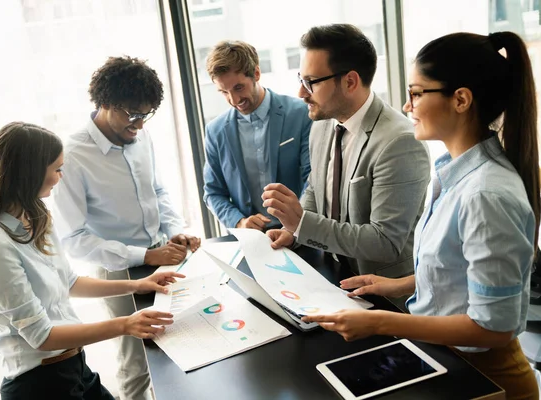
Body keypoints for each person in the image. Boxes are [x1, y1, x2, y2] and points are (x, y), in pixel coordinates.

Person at [303, 31, 540, 399]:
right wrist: (400, 286)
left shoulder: (486, 194)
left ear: (460, 99)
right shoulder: (453, 171)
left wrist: (380, 321)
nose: (407, 106)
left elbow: (493, 328)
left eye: (416, 93)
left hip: (488, 379)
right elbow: (461, 269)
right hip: (447, 359)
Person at [0, 122, 183, 400]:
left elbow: (69, 282)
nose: (60, 177)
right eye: (56, 169)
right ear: (28, 173)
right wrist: (126, 324)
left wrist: (138, 285)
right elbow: (41, 336)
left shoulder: (38, 216)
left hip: (74, 366)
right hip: (38, 384)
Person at [52, 56, 200, 400]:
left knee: (178, 349)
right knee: (136, 364)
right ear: (104, 103)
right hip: (116, 271)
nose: (140, 124)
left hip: (163, 260)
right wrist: (145, 253)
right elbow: (74, 240)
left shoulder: (139, 137)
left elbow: (157, 191)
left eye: (146, 115)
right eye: (132, 114)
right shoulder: (72, 155)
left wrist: (176, 228)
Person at [263, 24, 430, 281]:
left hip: (384, 297)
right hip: (332, 275)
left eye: (311, 83)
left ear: (350, 81)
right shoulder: (321, 125)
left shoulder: (400, 143)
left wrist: (302, 225)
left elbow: (385, 242)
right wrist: (294, 231)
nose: (301, 93)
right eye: (301, 80)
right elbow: (317, 191)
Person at [203, 40, 312, 231]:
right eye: (224, 92)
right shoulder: (215, 131)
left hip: (299, 235)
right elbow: (213, 193)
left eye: (238, 88)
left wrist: (293, 227)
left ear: (256, 73)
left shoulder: (301, 114)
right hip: (250, 240)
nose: (234, 100)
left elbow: (313, 179)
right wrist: (239, 222)